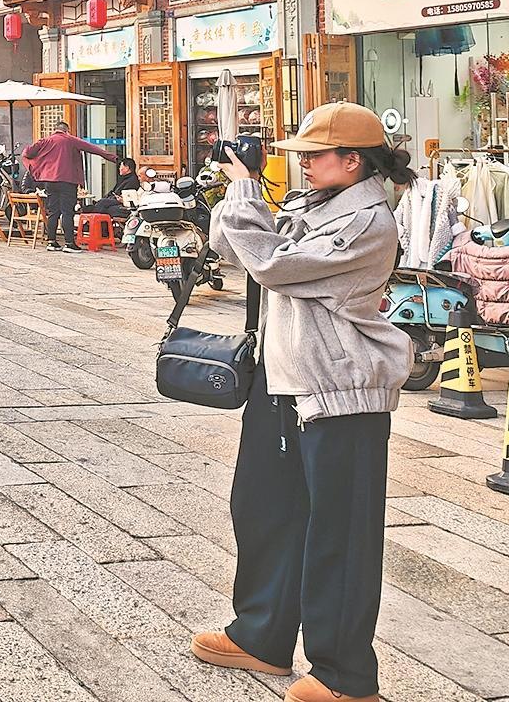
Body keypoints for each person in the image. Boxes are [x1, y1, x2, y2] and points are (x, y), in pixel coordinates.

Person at [191, 102, 416, 702]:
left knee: (340, 533)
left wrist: (247, 193)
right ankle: (261, 635)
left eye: (315, 156)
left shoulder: (367, 222)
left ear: (354, 160)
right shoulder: (311, 206)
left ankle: (344, 676)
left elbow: (271, 265)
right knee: (263, 506)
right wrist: (240, 190)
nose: (304, 165)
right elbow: (230, 247)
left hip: (342, 391)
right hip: (283, 380)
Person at [21, 119, 116, 251]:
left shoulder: (45, 141)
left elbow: (27, 152)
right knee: (67, 212)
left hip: (49, 181)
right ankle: (69, 243)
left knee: (53, 212)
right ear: (66, 131)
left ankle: (51, 242)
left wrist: (35, 166)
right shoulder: (71, 140)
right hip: (67, 180)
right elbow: (93, 149)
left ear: (55, 130)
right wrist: (113, 158)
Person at [80, 155, 141, 219]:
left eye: (121, 166)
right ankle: (91, 211)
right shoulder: (124, 179)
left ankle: (90, 216)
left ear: (127, 168)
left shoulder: (132, 180)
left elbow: (124, 196)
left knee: (103, 204)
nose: (119, 168)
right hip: (115, 200)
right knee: (102, 204)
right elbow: (113, 191)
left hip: (123, 203)